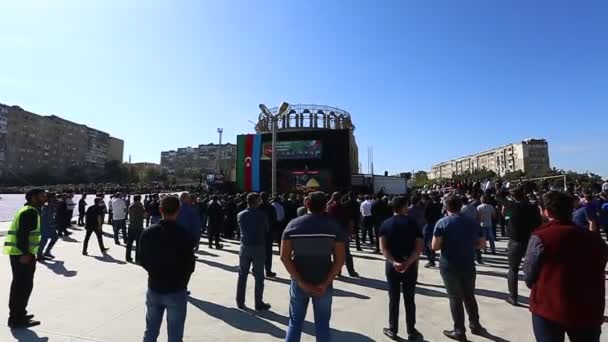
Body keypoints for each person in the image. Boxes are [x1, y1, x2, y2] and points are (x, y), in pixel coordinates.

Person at [524, 191, 608, 342]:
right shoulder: (595, 240)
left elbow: (529, 276)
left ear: (546, 211)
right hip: (588, 308)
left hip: (549, 307)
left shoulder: (541, 237)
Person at [280, 192, 346, 342]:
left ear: (306, 204)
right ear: (326, 206)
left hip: (299, 282)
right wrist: (325, 283)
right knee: (322, 325)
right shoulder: (333, 227)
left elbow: (284, 257)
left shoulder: (293, 225)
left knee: (295, 323)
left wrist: (301, 282)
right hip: (323, 282)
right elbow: (340, 259)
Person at [139, 196, 195, 342]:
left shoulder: (148, 232)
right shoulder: (184, 234)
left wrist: (154, 271)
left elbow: (141, 259)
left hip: (154, 287)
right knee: (175, 336)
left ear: (160, 209)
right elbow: (190, 265)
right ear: (178, 210)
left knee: (150, 331)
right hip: (176, 289)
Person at [432, 194, 487, 341]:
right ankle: (475, 325)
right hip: (468, 263)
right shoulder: (473, 223)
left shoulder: (442, 223)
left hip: (449, 264)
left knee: (455, 298)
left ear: (446, 207)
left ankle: (459, 330)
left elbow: (435, 246)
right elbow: (482, 244)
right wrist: (469, 244)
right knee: (469, 296)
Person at [379, 196, 424, 341]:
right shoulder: (414, 223)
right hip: (410, 266)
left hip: (392, 267)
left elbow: (383, 248)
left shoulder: (385, 224)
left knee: (394, 298)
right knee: (409, 299)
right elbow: (418, 249)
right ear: (405, 206)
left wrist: (394, 263)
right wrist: (408, 262)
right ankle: (411, 330)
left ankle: (393, 329)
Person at [4, 189, 45, 329]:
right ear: (34, 198)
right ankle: (16, 318)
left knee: (21, 286)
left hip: (19, 253)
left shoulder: (27, 209)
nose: (44, 197)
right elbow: (22, 234)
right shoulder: (30, 212)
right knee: (22, 287)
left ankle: (20, 313)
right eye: (42, 195)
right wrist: (25, 254)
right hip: (22, 255)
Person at [504, 187, 541, 306]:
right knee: (535, 268)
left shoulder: (511, 207)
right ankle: (538, 296)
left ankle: (513, 297)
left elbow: (501, 199)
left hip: (515, 241)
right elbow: (538, 222)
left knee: (513, 269)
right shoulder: (532, 208)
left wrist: (508, 220)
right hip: (531, 239)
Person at [236, 193, 271, 311]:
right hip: (258, 247)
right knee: (259, 276)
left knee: (242, 275)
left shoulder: (240, 215)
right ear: (257, 201)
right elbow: (267, 229)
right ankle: (258, 302)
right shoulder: (262, 215)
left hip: (245, 247)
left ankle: (240, 301)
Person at [327, 192, 359, 277]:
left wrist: (331, 199)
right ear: (341, 198)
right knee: (347, 253)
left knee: (335, 253)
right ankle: (351, 271)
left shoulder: (331, 208)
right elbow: (350, 221)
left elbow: (326, 208)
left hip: (333, 233)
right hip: (343, 232)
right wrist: (351, 232)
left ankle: (338, 271)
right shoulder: (345, 208)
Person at [259, 192, 277, 277]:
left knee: (258, 252)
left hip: (259, 233)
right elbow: (274, 219)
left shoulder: (257, 207)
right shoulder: (271, 207)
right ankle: (268, 270)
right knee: (268, 253)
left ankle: (257, 269)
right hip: (268, 232)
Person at [423, 192, 443, 268]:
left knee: (427, 243)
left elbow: (425, 215)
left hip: (429, 225)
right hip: (438, 225)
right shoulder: (440, 206)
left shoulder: (429, 205)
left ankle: (431, 260)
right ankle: (432, 259)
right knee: (432, 243)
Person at [38, 192, 59, 261]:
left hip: (51, 225)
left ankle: (47, 251)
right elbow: (44, 218)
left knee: (55, 237)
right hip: (45, 226)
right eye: (54, 197)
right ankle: (39, 255)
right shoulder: (46, 207)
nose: (55, 198)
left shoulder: (51, 205)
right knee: (44, 240)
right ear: (49, 198)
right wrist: (51, 224)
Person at [126, 195, 145, 262]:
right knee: (138, 244)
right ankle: (138, 258)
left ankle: (128, 257)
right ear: (139, 199)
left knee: (129, 243)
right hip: (138, 226)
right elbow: (144, 215)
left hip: (131, 226)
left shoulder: (130, 206)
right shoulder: (140, 206)